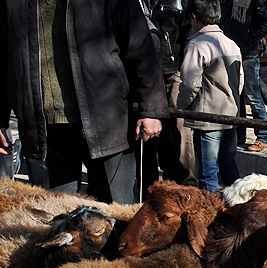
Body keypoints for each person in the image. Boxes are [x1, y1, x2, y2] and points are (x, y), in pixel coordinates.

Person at [0, 0, 168, 204]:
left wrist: (150, 109)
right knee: (55, 220)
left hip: (107, 121)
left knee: (115, 214)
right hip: (45, 131)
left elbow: (140, 47)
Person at [177, 0, 243, 192]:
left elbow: (190, 84)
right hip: (229, 115)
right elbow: (239, 83)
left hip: (207, 118)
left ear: (194, 18)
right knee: (228, 165)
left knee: (207, 172)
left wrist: (181, 106)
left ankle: (211, 213)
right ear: (219, 16)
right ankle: (237, 205)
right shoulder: (232, 44)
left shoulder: (198, 45)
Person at [138, 0, 198, 197]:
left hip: (172, 72)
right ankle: (149, 189)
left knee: (180, 134)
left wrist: (184, 67)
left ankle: (187, 189)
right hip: (142, 70)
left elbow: (189, 30)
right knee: (147, 134)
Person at [219, 0, 267, 152]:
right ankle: (240, 133)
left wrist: (247, 40)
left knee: (252, 95)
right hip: (230, 50)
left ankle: (263, 136)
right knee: (237, 94)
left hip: (248, 53)